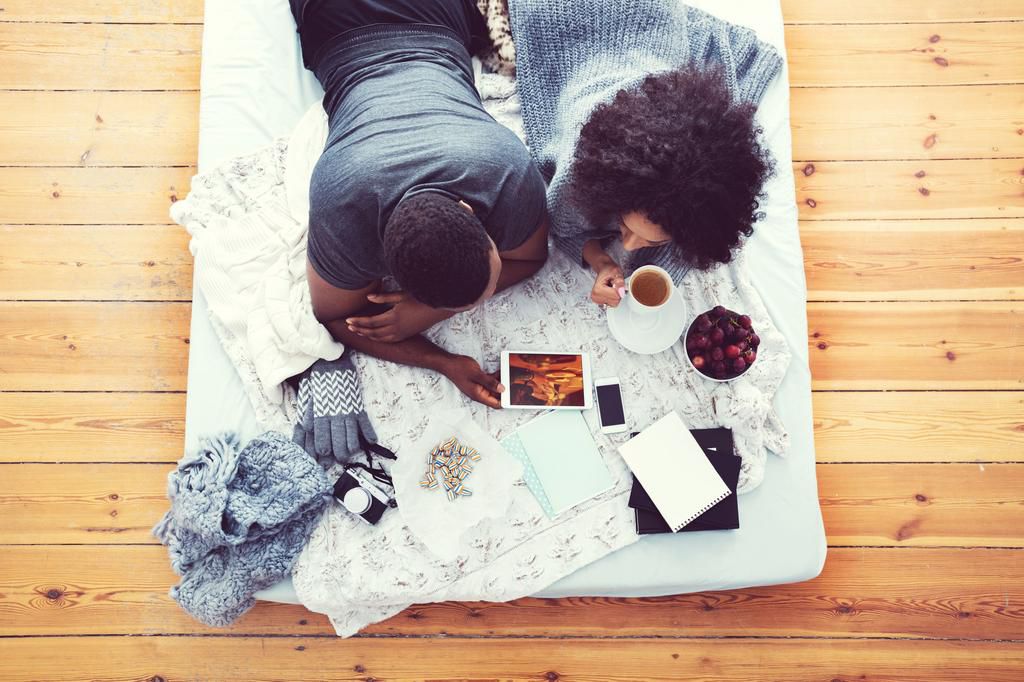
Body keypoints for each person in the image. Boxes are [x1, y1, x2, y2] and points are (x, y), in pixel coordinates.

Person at [290, 0, 549, 408]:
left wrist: (429, 316)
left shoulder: (506, 169)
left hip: (413, 18)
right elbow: (334, 318)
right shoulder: (342, 205)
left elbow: (531, 260)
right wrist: (440, 360)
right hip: (356, 18)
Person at [508, 0, 782, 308]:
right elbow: (563, 225)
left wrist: (605, 264)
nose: (626, 245)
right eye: (625, 227)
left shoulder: (700, 201)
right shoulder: (579, 165)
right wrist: (599, 259)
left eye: (652, 241)